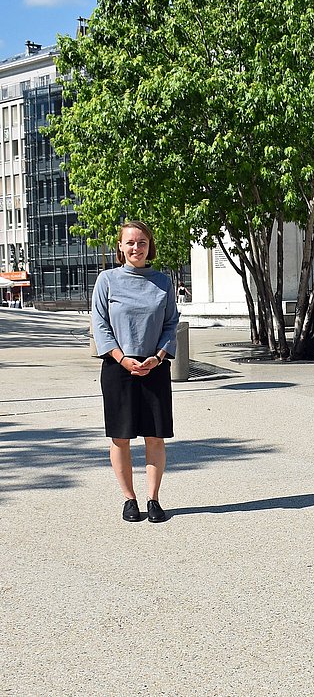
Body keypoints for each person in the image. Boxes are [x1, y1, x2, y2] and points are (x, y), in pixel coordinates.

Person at [92, 221, 179, 523]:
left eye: (141, 242)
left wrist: (157, 357)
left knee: (155, 437)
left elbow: (171, 324)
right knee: (121, 437)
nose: (136, 248)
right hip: (118, 368)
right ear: (120, 246)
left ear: (149, 245)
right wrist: (122, 358)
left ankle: (153, 499)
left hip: (155, 367)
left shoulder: (163, 282)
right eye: (130, 242)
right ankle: (129, 500)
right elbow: (100, 325)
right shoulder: (107, 281)